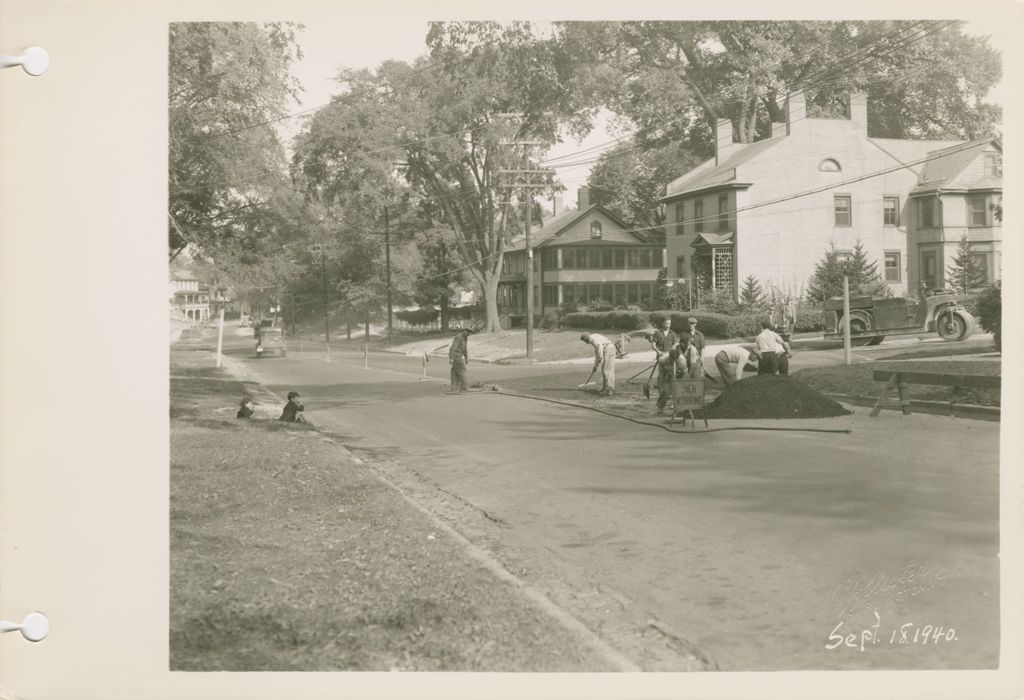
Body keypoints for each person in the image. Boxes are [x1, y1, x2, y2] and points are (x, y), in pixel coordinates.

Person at [646, 317, 678, 395]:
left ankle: (670, 393)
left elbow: (675, 345)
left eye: (669, 323)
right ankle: (662, 393)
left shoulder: (673, 334)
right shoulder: (658, 333)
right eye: (666, 323)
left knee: (671, 374)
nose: (668, 325)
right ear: (663, 323)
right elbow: (653, 345)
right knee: (662, 375)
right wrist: (658, 352)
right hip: (661, 356)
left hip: (669, 356)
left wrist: (672, 350)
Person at [448, 328, 471, 392]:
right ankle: (464, 387)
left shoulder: (465, 338)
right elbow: (452, 348)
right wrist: (451, 358)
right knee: (462, 371)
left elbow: (464, 349)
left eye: (470, 333)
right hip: (456, 356)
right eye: (468, 332)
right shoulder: (459, 337)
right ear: (464, 331)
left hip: (458, 356)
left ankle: (454, 387)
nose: (469, 334)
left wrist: (466, 357)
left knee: (454, 371)